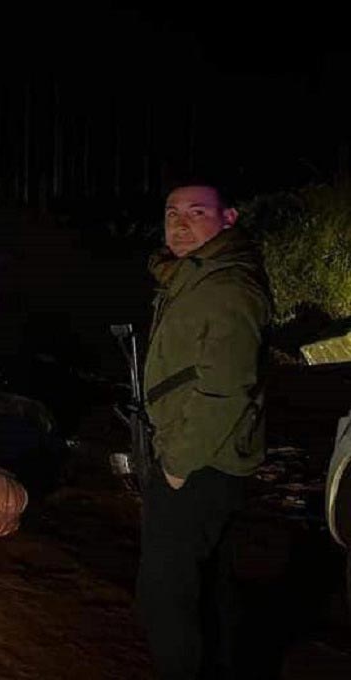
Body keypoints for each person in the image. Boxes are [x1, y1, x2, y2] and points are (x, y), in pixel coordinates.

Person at [137, 181, 271, 679]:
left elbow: (227, 388)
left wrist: (176, 464)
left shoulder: (227, 285)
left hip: (201, 462)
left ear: (228, 218)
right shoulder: (195, 274)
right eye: (172, 213)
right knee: (210, 586)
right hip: (201, 457)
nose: (179, 224)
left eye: (196, 212)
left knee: (166, 594)